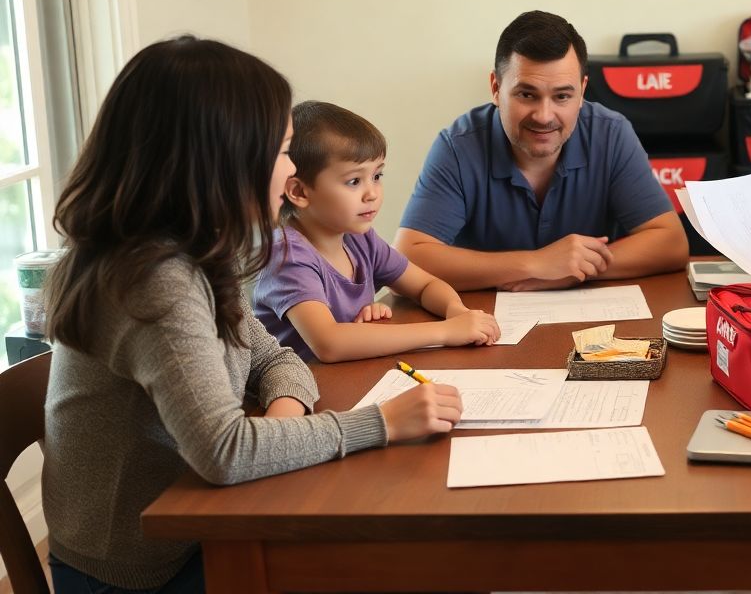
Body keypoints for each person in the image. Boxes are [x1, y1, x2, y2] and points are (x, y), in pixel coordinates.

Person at [41, 37, 464, 593]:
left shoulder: (194, 249)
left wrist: (282, 417)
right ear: (225, 158)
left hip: (203, 521)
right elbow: (227, 453)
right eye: (284, 149)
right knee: (413, 565)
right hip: (145, 569)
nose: (291, 169)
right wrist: (382, 424)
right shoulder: (154, 282)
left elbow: (272, 356)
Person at [395, 10, 688, 291]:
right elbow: (408, 258)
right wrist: (535, 264)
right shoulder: (457, 146)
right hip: (483, 324)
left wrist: (573, 272)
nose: (544, 115)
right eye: (526, 95)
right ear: (496, 88)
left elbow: (670, 242)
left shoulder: (611, 133)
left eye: (562, 96)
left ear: (582, 91)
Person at [253, 101, 500, 363]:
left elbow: (425, 285)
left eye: (377, 176)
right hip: (299, 394)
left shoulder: (360, 240)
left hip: (349, 380)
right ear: (300, 192)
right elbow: (330, 343)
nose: (372, 194)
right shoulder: (287, 256)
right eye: (354, 181)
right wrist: (446, 331)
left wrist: (455, 311)